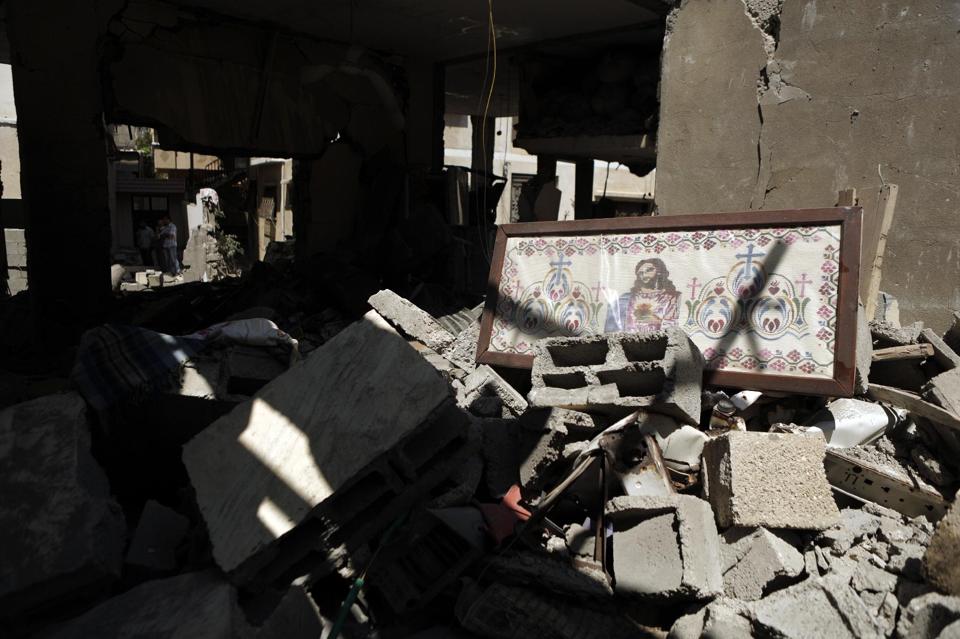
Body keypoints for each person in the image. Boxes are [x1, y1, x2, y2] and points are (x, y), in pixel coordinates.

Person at [604, 258, 680, 333]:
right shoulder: (625, 298)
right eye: (640, 273)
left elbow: (672, 328)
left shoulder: (672, 297)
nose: (644, 274)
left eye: (649, 270)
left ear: (659, 272)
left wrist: (654, 320)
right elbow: (612, 329)